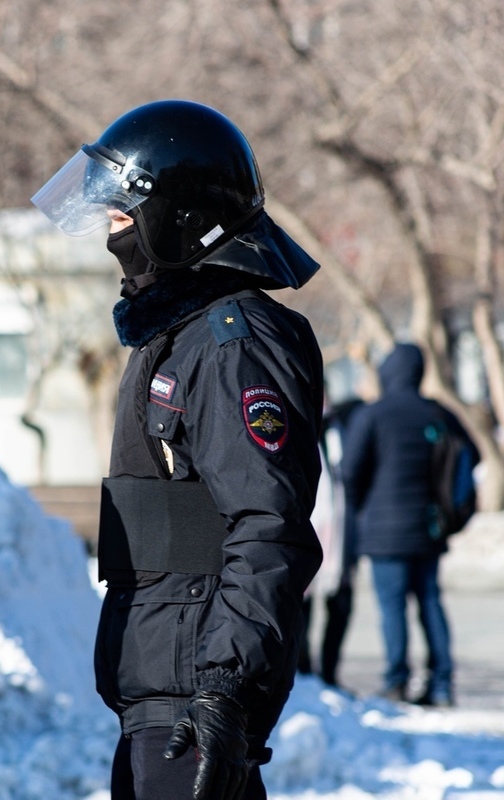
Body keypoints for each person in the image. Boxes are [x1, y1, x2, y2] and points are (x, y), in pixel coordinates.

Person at [33, 99, 324, 800]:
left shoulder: (235, 343)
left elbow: (267, 527)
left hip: (195, 698)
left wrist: (225, 687)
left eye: (123, 215)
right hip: (161, 690)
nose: (110, 232)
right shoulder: (179, 335)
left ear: (182, 222)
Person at [342, 342, 476, 707]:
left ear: (387, 372)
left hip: (384, 532)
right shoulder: (437, 413)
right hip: (428, 527)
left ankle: (396, 682)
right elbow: (471, 455)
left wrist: (362, 509)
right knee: (430, 601)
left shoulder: (373, 414)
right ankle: (442, 682)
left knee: (393, 606)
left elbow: (350, 471)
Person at [297, 398, 362, 688]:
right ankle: (304, 670)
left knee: (341, 603)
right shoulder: (295, 423)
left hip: (340, 534)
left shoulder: (342, 429)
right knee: (301, 606)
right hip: (304, 528)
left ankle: (329, 671)